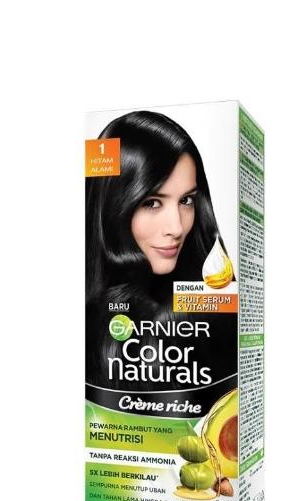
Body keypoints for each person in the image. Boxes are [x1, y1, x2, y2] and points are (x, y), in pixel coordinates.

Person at [85, 110, 237, 390]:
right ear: (112, 206)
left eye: (186, 200)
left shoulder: (211, 306)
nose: (177, 228)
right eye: (152, 203)